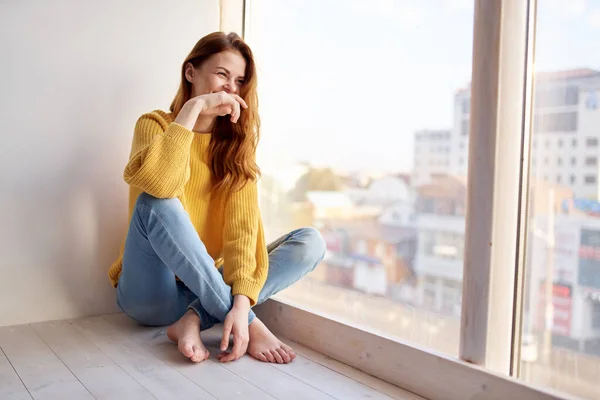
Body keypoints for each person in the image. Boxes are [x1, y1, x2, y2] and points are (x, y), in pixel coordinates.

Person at [108, 32, 326, 364]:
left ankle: (194, 319)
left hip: (204, 289)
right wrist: (193, 110)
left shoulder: (235, 149)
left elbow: (242, 233)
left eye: (238, 81)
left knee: (310, 242)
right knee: (157, 203)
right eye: (222, 74)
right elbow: (160, 186)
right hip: (151, 294)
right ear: (191, 72)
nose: (230, 88)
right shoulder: (153, 126)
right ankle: (248, 325)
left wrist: (240, 304)